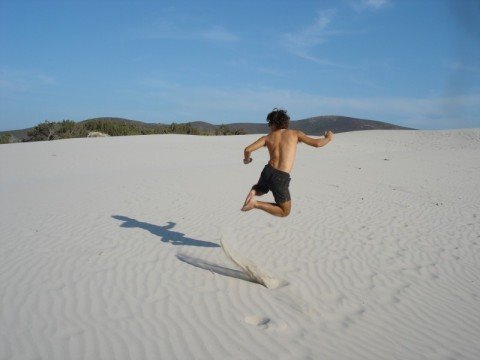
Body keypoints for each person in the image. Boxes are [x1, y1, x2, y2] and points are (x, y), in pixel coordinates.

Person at [241, 108, 334, 217]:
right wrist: (328, 138)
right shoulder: (295, 134)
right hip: (280, 176)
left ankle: (255, 191)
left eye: (269, 123)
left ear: (274, 124)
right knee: (285, 211)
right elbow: (317, 144)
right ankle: (255, 203)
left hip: (267, 171)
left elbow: (247, 150)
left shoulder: (267, 137)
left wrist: (247, 160)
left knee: (261, 189)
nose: (269, 126)